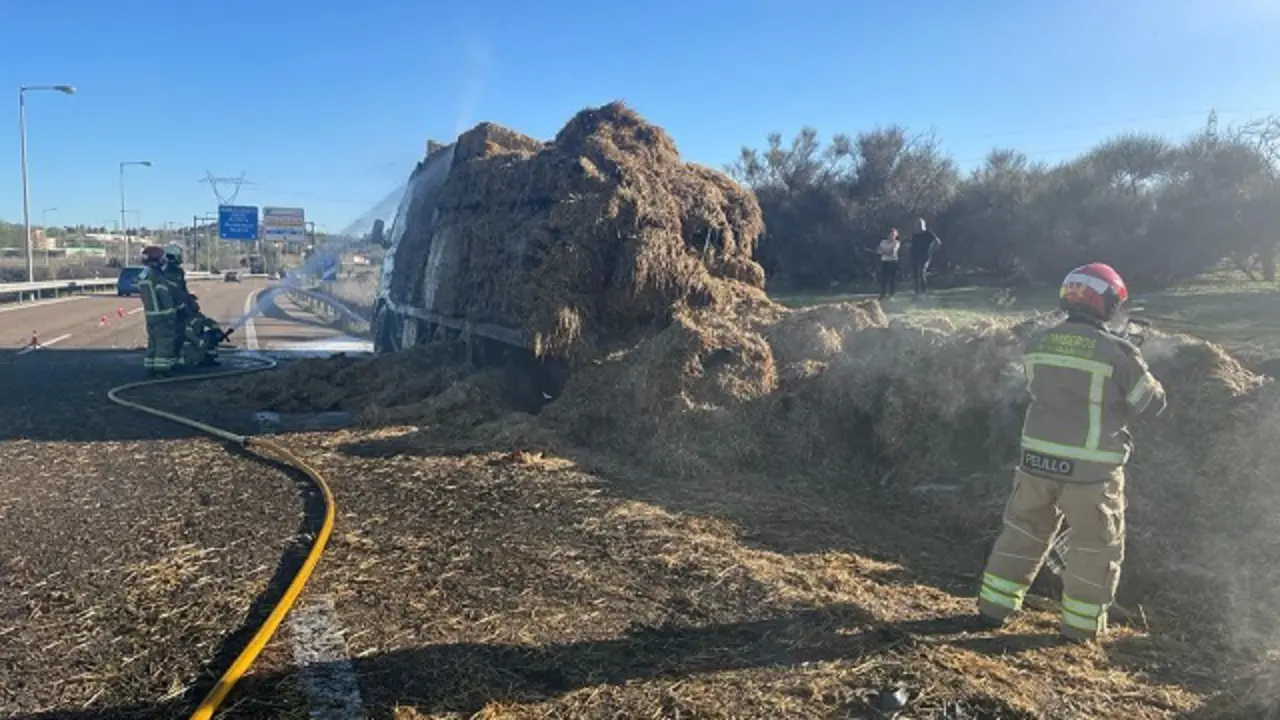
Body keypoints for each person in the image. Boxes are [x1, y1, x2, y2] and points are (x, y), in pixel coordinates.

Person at [977, 262, 1167, 643]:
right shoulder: (1119, 352)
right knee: (1094, 547)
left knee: (1022, 532)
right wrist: (1136, 359)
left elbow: (1054, 388)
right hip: (1091, 471)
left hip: (1035, 461)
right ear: (1108, 303)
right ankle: (1080, 630)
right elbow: (1151, 405)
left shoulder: (1039, 343)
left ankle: (993, 608)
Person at [137, 245, 179, 377]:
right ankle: (161, 370)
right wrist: (172, 311)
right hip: (163, 315)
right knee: (164, 342)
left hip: (150, 316)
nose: (164, 260)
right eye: (162, 258)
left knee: (153, 342)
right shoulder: (157, 275)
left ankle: (150, 367)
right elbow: (163, 294)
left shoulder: (144, 275)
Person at [909, 218, 942, 294]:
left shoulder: (928, 233)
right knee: (915, 274)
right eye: (918, 224)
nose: (919, 226)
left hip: (925, 256)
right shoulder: (914, 234)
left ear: (924, 225)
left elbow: (938, 242)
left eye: (920, 224)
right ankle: (916, 291)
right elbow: (912, 244)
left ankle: (923, 290)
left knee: (921, 272)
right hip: (915, 256)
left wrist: (931, 251)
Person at [877, 228, 901, 300]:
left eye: (893, 235)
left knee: (892, 279)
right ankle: (882, 294)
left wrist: (883, 251)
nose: (892, 236)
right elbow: (878, 251)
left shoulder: (897, 243)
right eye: (891, 234)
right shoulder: (883, 242)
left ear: (896, 235)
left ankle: (891, 295)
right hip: (884, 262)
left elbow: (892, 253)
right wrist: (885, 252)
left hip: (893, 262)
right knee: (883, 279)